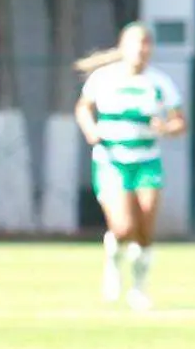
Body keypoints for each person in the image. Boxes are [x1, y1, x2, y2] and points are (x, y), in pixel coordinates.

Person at [74, 21, 185, 311]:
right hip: (112, 160)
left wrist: (167, 128)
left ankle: (139, 288)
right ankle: (113, 263)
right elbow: (83, 107)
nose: (142, 51)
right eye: (137, 44)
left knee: (146, 227)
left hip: (146, 160)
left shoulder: (159, 82)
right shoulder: (103, 79)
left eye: (147, 45)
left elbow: (179, 122)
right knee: (123, 228)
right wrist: (90, 130)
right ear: (124, 47)